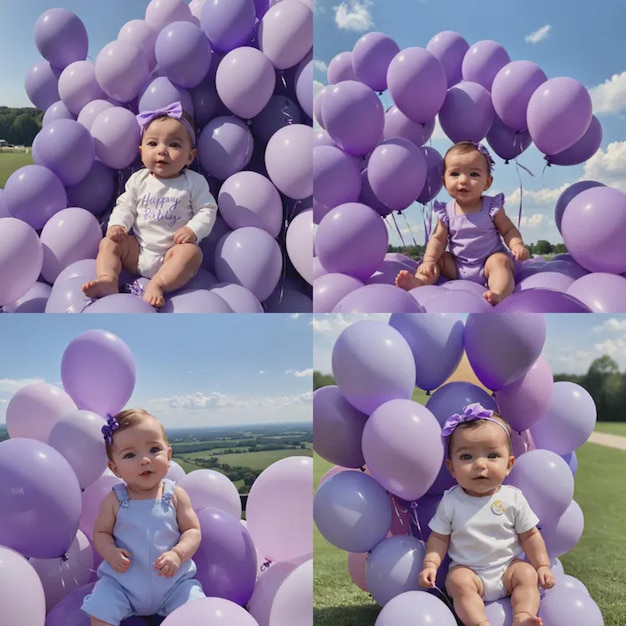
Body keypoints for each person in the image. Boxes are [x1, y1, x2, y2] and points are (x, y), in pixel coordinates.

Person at [418, 403, 555, 626]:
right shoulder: (451, 501)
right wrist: (431, 564)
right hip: (470, 572)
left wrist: (542, 566)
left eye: (492, 455)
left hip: (507, 568)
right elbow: (439, 537)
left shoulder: (513, 498)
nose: (480, 464)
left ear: (509, 464)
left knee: (527, 575)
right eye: (466, 457)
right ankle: (480, 623)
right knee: (457, 582)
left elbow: (530, 535)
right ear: (451, 468)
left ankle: (522, 617)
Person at [82, 102, 217, 307]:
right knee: (108, 244)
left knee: (191, 253)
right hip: (138, 252)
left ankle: (159, 283)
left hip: (170, 255)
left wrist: (193, 229)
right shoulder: (139, 179)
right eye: (153, 144)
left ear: (190, 156)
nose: (162, 151)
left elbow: (207, 209)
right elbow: (125, 205)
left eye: (174, 145)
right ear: (141, 151)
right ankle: (108, 279)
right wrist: (118, 225)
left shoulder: (193, 182)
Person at [82, 409, 205, 626]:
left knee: (195, 611)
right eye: (130, 454)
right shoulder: (115, 499)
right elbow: (101, 533)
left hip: (173, 585)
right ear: (115, 468)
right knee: (100, 609)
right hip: (123, 585)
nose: (145, 460)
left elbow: (192, 531)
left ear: (168, 455)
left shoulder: (175, 495)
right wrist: (110, 552)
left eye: (154, 449)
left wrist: (178, 554)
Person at [395, 141, 530, 305]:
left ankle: (498, 292)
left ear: (487, 183)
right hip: (457, 266)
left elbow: (508, 230)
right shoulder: (446, 212)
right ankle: (420, 282)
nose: (463, 180)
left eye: (473, 174)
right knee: (440, 259)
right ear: (444, 182)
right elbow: (438, 239)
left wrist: (517, 245)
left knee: (500, 262)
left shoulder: (491, 207)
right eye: (455, 174)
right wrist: (429, 260)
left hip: (487, 263)